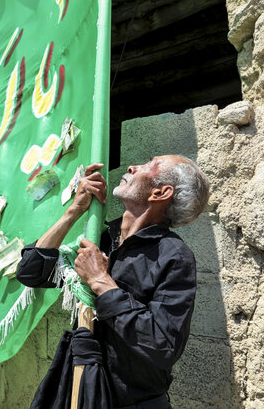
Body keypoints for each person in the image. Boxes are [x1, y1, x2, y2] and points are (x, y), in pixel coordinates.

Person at [17, 155, 210, 409]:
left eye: (149, 165)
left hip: (128, 402)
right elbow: (31, 272)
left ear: (160, 193)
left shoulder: (173, 255)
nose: (133, 166)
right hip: (77, 388)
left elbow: (162, 345)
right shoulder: (103, 237)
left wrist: (100, 281)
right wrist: (74, 211)